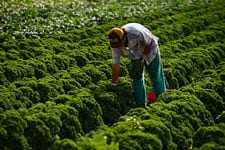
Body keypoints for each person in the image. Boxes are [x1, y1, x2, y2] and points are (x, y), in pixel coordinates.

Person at [108, 23, 166, 107]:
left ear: (124, 37)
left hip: (150, 50)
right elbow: (116, 64)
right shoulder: (114, 44)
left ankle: (162, 101)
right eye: (116, 45)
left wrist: (143, 55)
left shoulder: (136, 33)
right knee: (136, 78)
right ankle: (141, 105)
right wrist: (113, 83)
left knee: (155, 76)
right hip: (135, 56)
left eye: (120, 44)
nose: (118, 47)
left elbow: (151, 41)